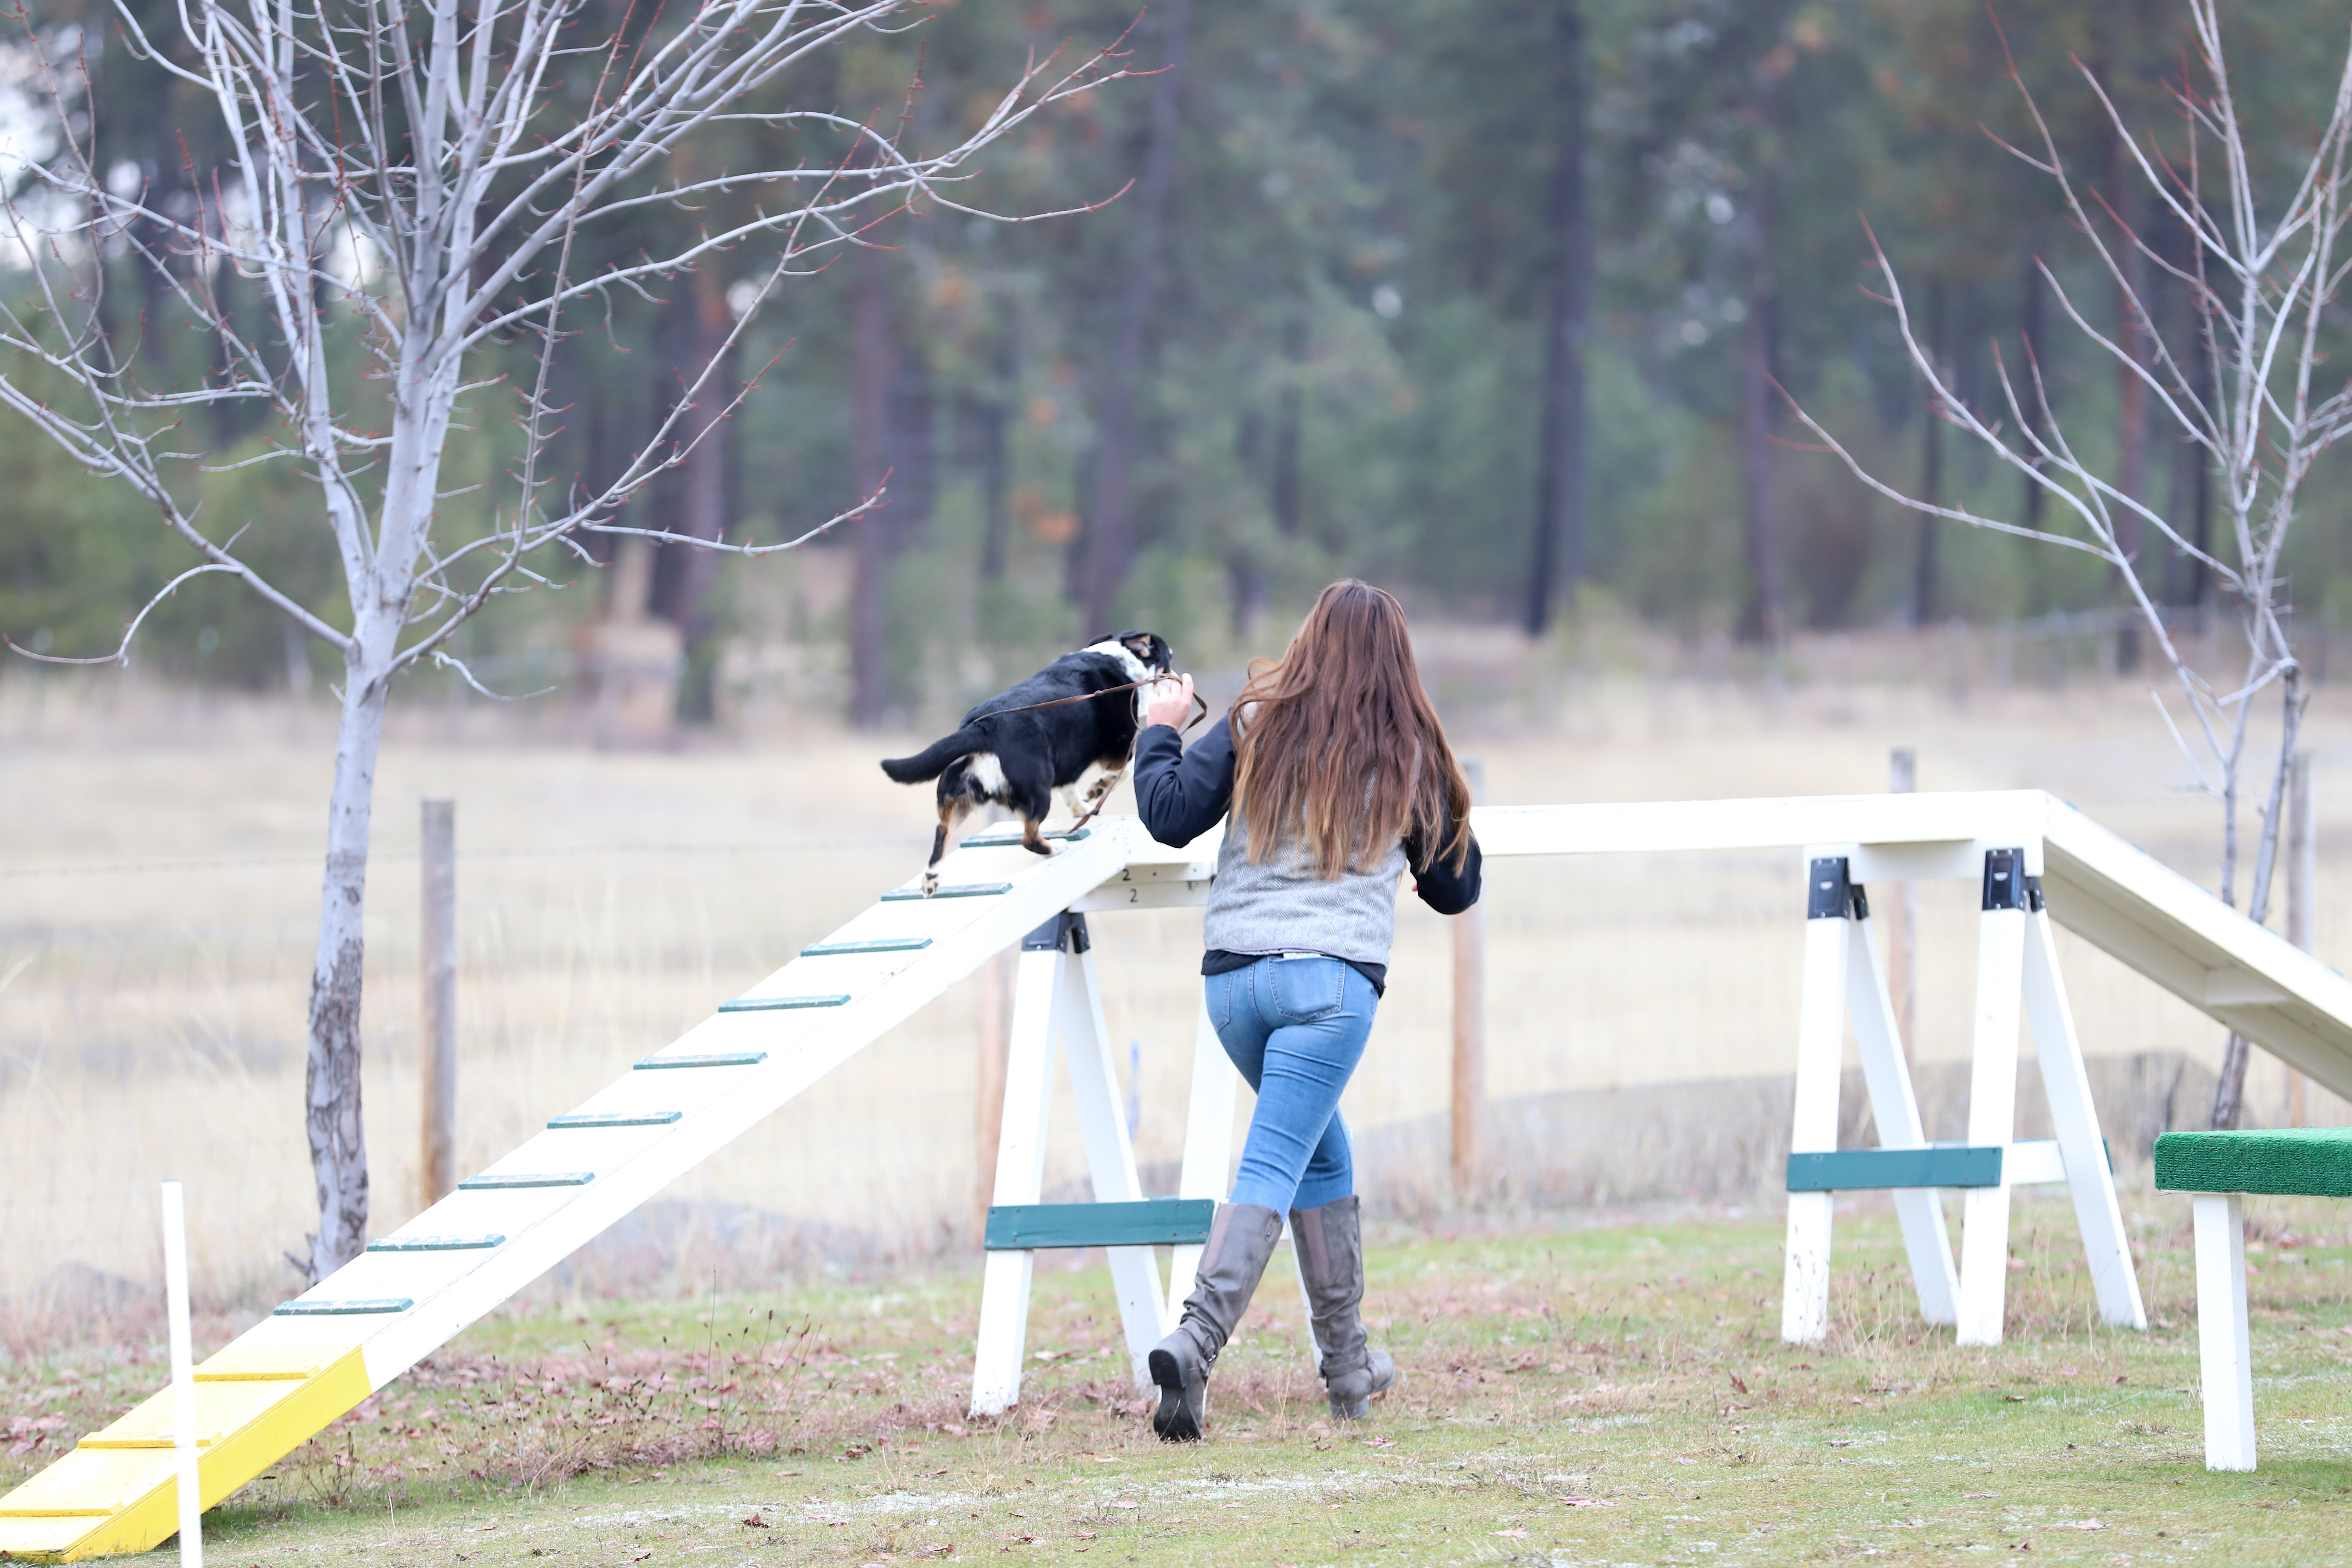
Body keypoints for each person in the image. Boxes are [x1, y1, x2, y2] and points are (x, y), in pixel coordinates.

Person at [1130, 579, 1482, 1442]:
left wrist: (1158, 733)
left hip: (1236, 986)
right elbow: (1456, 887)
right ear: (1399, 662)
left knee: (1321, 1155)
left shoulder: (1257, 721)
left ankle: (1349, 1368)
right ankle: (1196, 1338)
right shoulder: (1408, 750)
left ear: (1310, 641)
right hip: (1330, 992)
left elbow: (1169, 816)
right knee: (1276, 1161)